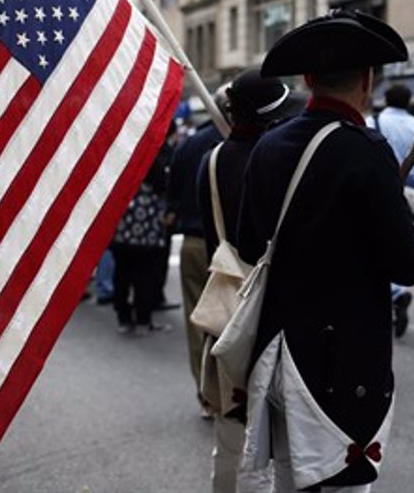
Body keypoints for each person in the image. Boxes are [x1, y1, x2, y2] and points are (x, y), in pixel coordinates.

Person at [236, 9, 414, 491]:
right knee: (343, 481)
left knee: (291, 477)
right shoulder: (366, 149)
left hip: (281, 344)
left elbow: (246, 243)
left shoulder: (269, 145)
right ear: (367, 80)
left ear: (307, 79)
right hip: (345, 353)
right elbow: (410, 263)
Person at [196, 68, 303, 493]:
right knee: (288, 437)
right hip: (279, 307)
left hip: (230, 306)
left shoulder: (213, 159)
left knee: (231, 431)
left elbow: (215, 236)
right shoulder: (282, 159)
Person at [167, 87, 227, 410]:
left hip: (195, 243)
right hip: (230, 247)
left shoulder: (189, 144)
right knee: (234, 321)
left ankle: (207, 393)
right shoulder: (244, 143)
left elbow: (172, 192)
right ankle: (231, 391)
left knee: (199, 323)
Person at [370, 83, 414, 335]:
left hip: (377, 193)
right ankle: (398, 288)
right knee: (400, 243)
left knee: (375, 247)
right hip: (410, 196)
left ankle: (394, 292)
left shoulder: (371, 122)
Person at [109, 148, 174, 335]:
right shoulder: (155, 160)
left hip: (124, 227)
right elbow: (164, 186)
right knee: (145, 277)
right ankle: (143, 319)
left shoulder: (124, 158)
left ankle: (123, 316)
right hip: (149, 229)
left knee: (122, 275)